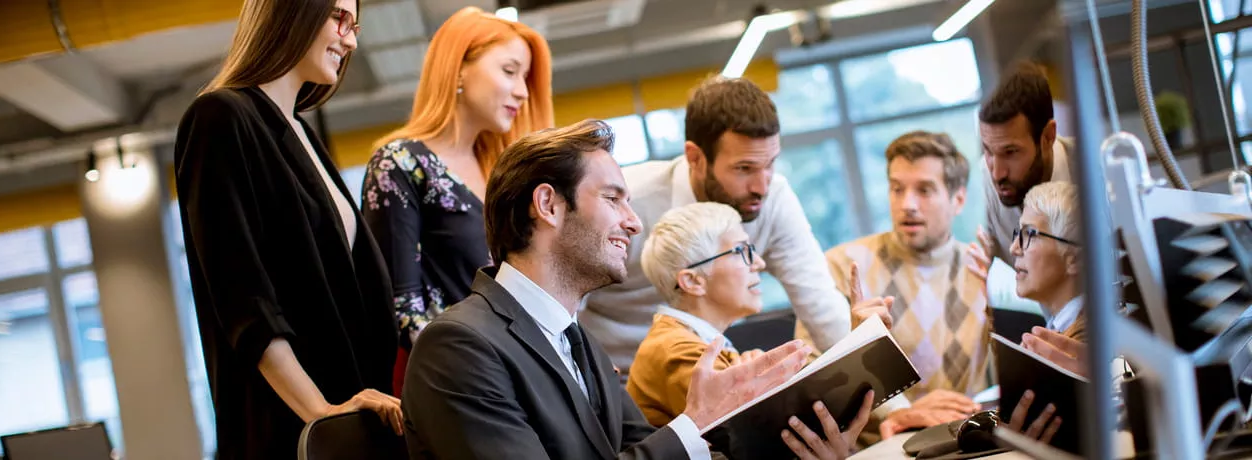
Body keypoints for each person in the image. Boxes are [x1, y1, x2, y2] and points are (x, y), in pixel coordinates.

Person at [402, 119, 872, 460]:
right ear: (547, 205)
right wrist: (696, 421)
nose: (634, 221)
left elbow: (639, 450)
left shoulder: (576, 340)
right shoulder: (460, 346)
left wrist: (800, 449)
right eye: (613, 198)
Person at [174, 0, 400, 457]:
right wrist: (321, 413)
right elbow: (245, 300)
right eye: (339, 18)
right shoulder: (219, 118)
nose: (351, 39)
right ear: (291, 11)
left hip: (353, 415)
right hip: (293, 429)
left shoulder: (300, 131)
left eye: (354, 25)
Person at [582, 76, 853, 373]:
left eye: (770, 164)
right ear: (695, 157)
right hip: (612, 380)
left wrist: (891, 409)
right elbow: (565, 307)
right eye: (744, 169)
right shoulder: (625, 203)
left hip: (707, 366)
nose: (761, 186)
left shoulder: (773, 198)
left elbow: (823, 310)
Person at [360, 7, 553, 392]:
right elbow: (403, 310)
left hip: (524, 375)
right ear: (459, 68)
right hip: (460, 385)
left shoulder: (501, 172)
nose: (522, 91)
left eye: (525, 78)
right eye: (509, 71)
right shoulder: (400, 163)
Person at [823, 132, 988, 440]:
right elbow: (809, 382)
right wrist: (853, 347)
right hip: (878, 448)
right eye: (897, 189)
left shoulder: (984, 270)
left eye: (924, 190)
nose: (907, 204)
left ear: (959, 199)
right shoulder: (843, 266)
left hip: (969, 440)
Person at [626, 202, 770, 427]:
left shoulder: (683, 339)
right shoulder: (678, 351)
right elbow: (760, 434)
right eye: (742, 251)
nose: (759, 263)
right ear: (693, 281)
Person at [968, 61, 1076, 277]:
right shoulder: (983, 186)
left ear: (1048, 137)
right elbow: (968, 269)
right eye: (988, 151)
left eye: (1011, 152)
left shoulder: (1093, 172)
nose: (997, 173)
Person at [1011, 181, 1086, 342]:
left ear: (1074, 260)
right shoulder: (1058, 331)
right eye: (1018, 234)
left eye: (1030, 234)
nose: (1014, 248)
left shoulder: (1092, 343)